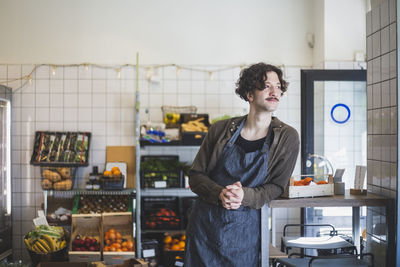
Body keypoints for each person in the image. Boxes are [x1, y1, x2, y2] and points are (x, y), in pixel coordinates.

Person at [184, 63, 300, 267]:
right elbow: (195, 176)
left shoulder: (287, 137)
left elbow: (276, 186)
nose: (275, 91)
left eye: (278, 86)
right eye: (266, 86)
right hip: (206, 228)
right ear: (250, 94)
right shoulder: (220, 130)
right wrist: (220, 193)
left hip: (246, 232)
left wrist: (244, 195)